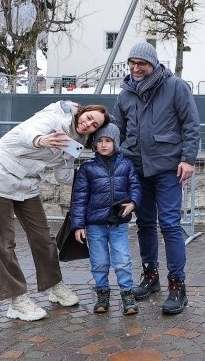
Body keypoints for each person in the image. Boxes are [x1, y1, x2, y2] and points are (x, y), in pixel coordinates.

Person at [0, 100, 109, 321]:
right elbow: (28, 133)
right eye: (88, 117)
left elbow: (63, 175)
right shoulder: (54, 117)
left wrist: (95, 177)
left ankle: (54, 284)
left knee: (43, 237)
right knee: (3, 241)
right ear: (82, 111)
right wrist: (41, 139)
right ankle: (17, 299)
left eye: (94, 125)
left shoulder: (76, 142)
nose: (88, 124)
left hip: (26, 184)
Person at [112, 41, 200, 315]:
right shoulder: (125, 93)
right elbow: (118, 129)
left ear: (153, 65)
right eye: (132, 63)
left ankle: (178, 285)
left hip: (167, 168)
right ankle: (150, 277)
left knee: (171, 225)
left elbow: (191, 124)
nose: (136, 68)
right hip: (138, 170)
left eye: (142, 64)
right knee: (145, 224)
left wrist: (188, 159)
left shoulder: (175, 87)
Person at [70, 123, 142, 315]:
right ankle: (102, 294)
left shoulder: (126, 165)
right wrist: (78, 225)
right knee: (99, 261)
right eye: (100, 141)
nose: (103, 145)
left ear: (115, 143)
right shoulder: (87, 168)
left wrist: (133, 202)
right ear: (94, 144)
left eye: (108, 141)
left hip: (117, 222)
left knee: (122, 261)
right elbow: (79, 198)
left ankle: (127, 294)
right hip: (95, 225)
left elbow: (135, 186)